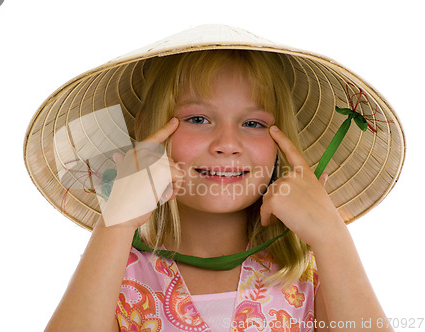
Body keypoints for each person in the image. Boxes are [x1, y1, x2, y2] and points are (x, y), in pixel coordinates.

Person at [24, 25, 405, 331]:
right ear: (150, 136)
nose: (227, 144)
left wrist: (331, 234)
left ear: (281, 147)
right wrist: (115, 221)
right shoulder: (116, 278)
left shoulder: (312, 277)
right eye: (197, 119)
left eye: (253, 123)